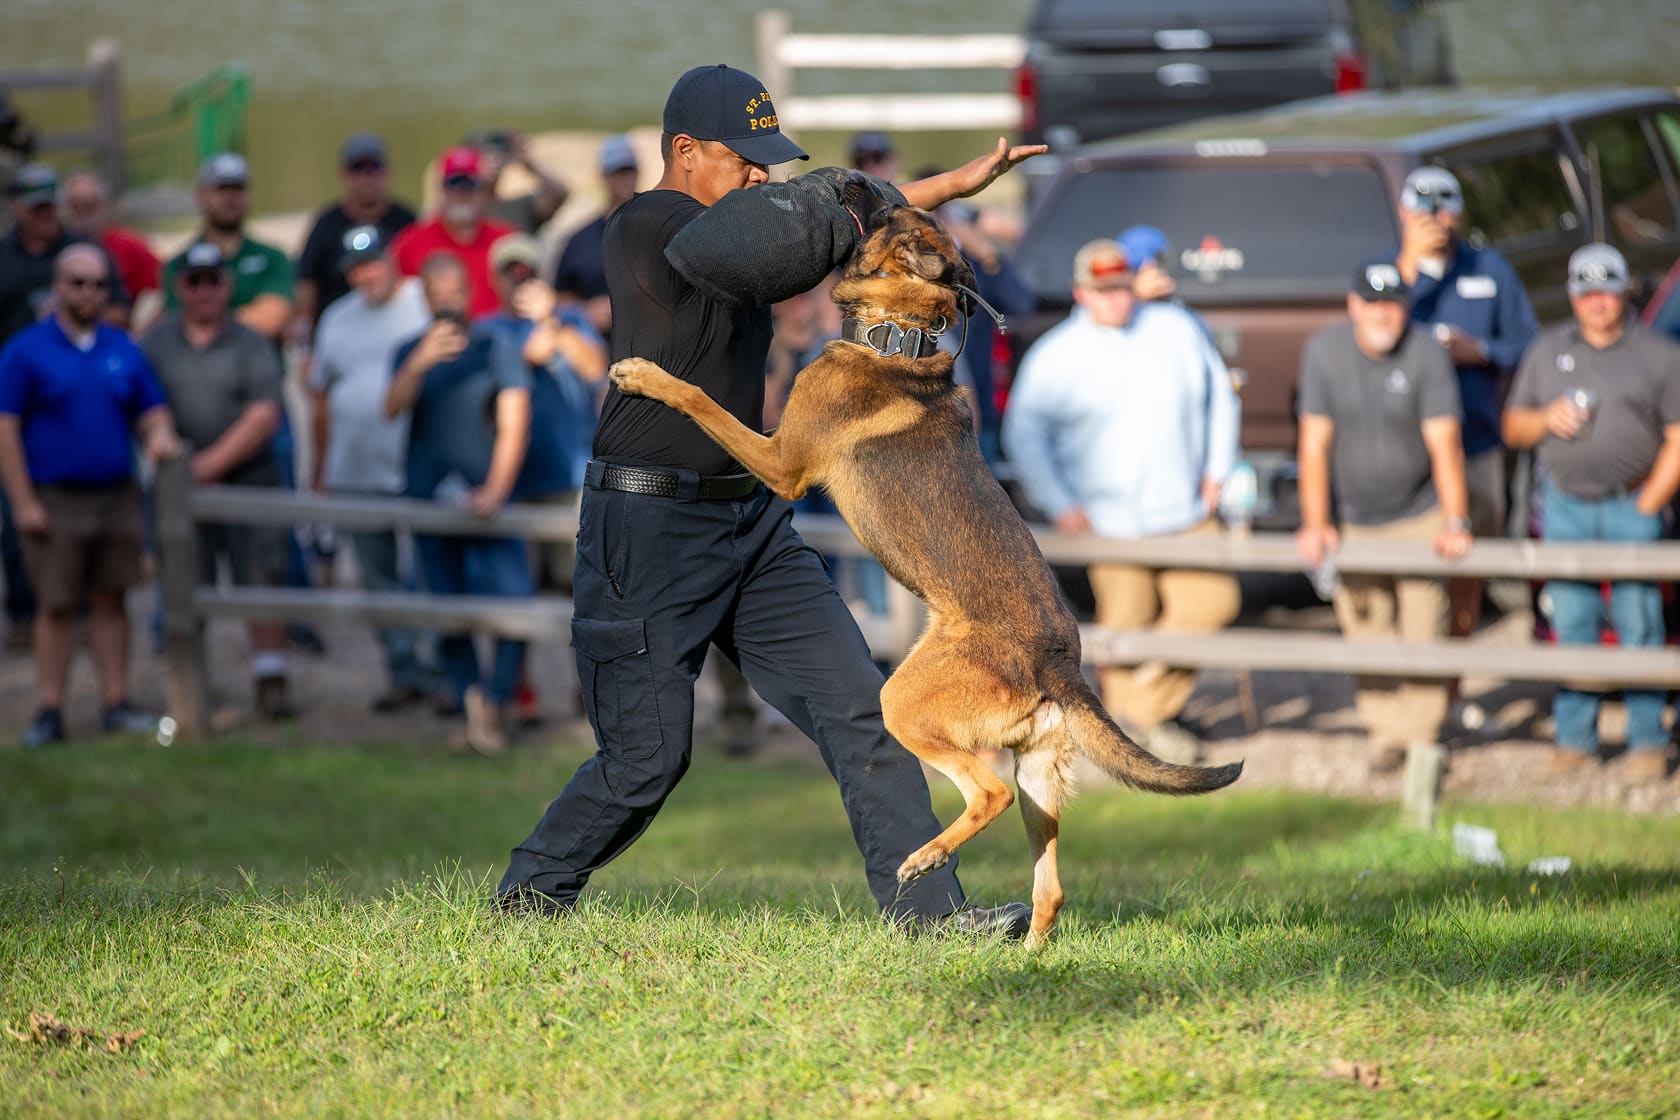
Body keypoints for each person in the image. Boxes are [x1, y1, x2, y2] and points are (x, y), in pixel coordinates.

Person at [496, 62, 1044, 936]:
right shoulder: (647, 224)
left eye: (767, 159)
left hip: (749, 522)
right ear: (683, 151)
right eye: (742, 157)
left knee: (865, 713)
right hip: (647, 525)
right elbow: (792, 235)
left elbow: (835, 221)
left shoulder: (744, 227)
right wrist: (870, 199)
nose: (760, 173)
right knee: (646, 761)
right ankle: (524, 902)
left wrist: (948, 186)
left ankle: (931, 920)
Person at [1003, 238, 1241, 765]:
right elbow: (1024, 434)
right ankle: (1149, 727)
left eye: (1121, 287)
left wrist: (1217, 471)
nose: (1114, 298)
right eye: (1102, 289)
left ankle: (1139, 711)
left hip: (1185, 510)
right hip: (1108, 522)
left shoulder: (1176, 329)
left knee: (1213, 602)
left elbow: (1220, 396)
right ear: (1080, 292)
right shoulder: (1056, 353)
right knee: (1125, 624)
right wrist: (1059, 500)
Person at [1502, 244, 1680, 781]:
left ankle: (1647, 742)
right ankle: (1574, 741)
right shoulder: (1546, 349)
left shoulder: (1659, 353)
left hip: (1632, 501)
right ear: (1573, 296)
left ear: (1624, 291)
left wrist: (1650, 500)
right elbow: (1513, 427)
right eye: (1586, 291)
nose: (1597, 302)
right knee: (1572, 621)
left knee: (1639, 621)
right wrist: (1544, 420)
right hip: (1566, 503)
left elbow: (1678, 437)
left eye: (1606, 290)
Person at [1294, 259, 1473, 774]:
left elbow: (1446, 445)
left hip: (1419, 512)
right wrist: (1316, 520)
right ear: (1354, 305)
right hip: (1352, 519)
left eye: (1392, 303)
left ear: (1405, 307)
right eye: (1371, 303)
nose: (1382, 314)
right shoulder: (1324, 353)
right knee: (1365, 626)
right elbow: (1314, 445)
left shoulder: (1426, 354)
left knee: (1424, 625)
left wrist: (1455, 521)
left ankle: (1421, 740)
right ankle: (1386, 733)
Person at [0, 245, 180, 747]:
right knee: (56, 605)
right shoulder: (26, 350)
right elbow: (5, 428)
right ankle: (50, 709)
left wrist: (159, 435)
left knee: (113, 600)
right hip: (54, 495)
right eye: (78, 283)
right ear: (58, 287)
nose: (89, 293)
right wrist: (22, 502)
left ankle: (116, 702)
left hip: (115, 493)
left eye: (99, 284)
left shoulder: (121, 348)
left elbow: (151, 407)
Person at [162, 152, 324, 657]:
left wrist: (213, 323)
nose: (229, 196)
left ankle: (292, 619)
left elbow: (275, 316)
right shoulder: (177, 261)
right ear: (201, 196)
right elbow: (176, 329)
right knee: (182, 530)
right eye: (219, 188)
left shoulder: (271, 257)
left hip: (260, 408)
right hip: (194, 414)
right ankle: (172, 630)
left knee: (275, 521)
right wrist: (238, 318)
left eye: (237, 187)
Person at [1391, 166, 1537, 706]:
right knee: (1406, 573)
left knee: (1466, 566)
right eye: (1423, 208)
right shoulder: (1390, 274)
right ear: (1405, 214)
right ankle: (1409, 692)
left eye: (1444, 208)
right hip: (1407, 449)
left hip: (1474, 440)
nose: (1435, 220)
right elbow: (1371, 329)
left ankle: (1451, 689)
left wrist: (1482, 352)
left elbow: (1525, 344)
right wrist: (1410, 267)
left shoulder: (1489, 269)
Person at [384, 253, 534, 754]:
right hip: (429, 502)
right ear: (424, 299)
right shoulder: (409, 349)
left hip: (490, 503)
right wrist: (419, 364)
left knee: (516, 604)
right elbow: (390, 409)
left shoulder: (496, 345)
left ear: (470, 295)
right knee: (445, 609)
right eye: (437, 295)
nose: (447, 303)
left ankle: (495, 702)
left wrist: (496, 487)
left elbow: (516, 417)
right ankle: (471, 705)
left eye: (455, 293)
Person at [140, 242, 293, 717]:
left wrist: (208, 465)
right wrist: (162, 438)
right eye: (194, 281)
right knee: (186, 582)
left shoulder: (250, 341)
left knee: (260, 578)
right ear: (180, 287)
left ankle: (271, 678)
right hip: (178, 487)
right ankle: (191, 686)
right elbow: (143, 401)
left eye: (213, 280)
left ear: (227, 286)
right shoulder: (158, 340)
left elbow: (264, 413)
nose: (204, 291)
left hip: (249, 478)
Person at [309, 225, 441, 713]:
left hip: (413, 467)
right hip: (354, 469)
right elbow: (320, 399)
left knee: (427, 574)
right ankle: (403, 672)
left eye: (375, 262)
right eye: (357, 267)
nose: (368, 274)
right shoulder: (336, 318)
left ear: (392, 260)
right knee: (377, 579)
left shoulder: (418, 303)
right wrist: (320, 470)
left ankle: (443, 672)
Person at [0, 163, 130, 650]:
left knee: (82, 514)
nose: (44, 216)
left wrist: (78, 311)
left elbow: (119, 312)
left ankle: (79, 609)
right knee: (18, 513)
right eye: (34, 207)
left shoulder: (83, 257)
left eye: (49, 206)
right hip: (18, 394)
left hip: (77, 388)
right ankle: (22, 610)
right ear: (17, 208)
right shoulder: (4, 259)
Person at [291, 132, 417, 337]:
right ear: (344, 175)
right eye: (357, 169)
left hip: (395, 325)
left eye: (373, 168)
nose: (366, 177)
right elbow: (307, 283)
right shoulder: (326, 224)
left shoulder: (405, 220)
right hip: (339, 329)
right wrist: (307, 342)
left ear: (387, 172)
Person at [390, 147, 515, 318]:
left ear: (483, 190)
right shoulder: (409, 243)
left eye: (470, 183)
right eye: (454, 183)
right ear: (441, 189)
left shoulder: (507, 240)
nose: (461, 192)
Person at [550, 134, 640, 336]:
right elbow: (561, 296)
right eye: (616, 172)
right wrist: (585, 311)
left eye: (628, 171)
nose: (623, 179)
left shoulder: (658, 230)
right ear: (603, 176)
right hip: (595, 342)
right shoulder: (579, 240)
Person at [60, 170, 162, 331]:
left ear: (104, 205)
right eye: (76, 205)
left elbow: (167, 283)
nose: (84, 212)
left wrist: (142, 327)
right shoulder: (55, 248)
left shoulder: (130, 247)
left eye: (90, 205)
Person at [465, 129, 569, 235]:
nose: (493, 160)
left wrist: (527, 162)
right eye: (484, 155)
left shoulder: (519, 208)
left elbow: (559, 193)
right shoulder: (457, 208)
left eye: (498, 154)